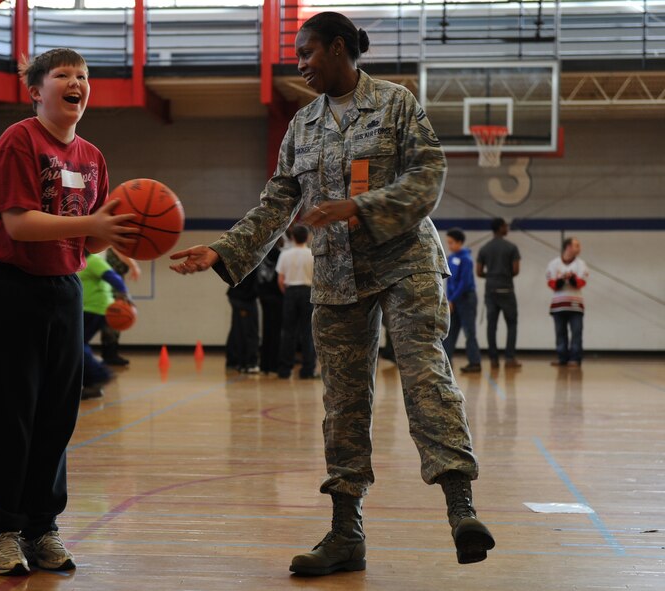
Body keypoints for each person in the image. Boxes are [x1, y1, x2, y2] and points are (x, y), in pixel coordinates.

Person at [170, 12, 493, 574]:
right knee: (343, 402)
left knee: (424, 375)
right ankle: (346, 532)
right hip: (338, 275)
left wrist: (359, 207)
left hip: (405, 264)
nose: (300, 64)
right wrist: (225, 250)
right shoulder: (303, 125)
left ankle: (461, 509)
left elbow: (428, 177)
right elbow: (277, 202)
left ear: (339, 48)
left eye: (307, 52)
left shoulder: (395, 104)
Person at [0, 48, 137, 576]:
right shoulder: (19, 140)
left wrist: (117, 246)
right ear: (35, 91)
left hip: (62, 288)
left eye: (83, 76)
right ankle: (3, 530)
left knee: (57, 417)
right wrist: (92, 231)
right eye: (62, 75)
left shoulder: (93, 158)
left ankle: (43, 526)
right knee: (8, 412)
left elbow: (84, 244)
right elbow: (19, 224)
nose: (76, 82)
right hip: (6, 286)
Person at [79, 252, 132, 398]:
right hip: (89, 308)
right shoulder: (81, 262)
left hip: (96, 309)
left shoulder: (93, 260)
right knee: (78, 345)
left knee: (76, 344)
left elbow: (113, 276)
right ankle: (92, 381)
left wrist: (124, 294)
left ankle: (99, 376)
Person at [476, 218, 521, 368]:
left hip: (491, 291)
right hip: (507, 290)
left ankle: (493, 359)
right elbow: (515, 270)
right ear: (501, 228)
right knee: (512, 324)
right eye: (505, 226)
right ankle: (509, 358)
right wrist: (504, 274)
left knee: (491, 326)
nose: (507, 228)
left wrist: (491, 275)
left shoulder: (484, 248)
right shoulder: (512, 247)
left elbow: (479, 272)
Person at [276, 224, 316, 379]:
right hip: (308, 292)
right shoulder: (312, 254)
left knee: (288, 332)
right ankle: (308, 370)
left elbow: (280, 280)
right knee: (307, 332)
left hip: (291, 292)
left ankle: (285, 369)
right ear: (308, 237)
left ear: (292, 237)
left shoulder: (285, 254)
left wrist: (289, 293)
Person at [442, 228, 482, 373]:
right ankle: (445, 362)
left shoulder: (466, 259)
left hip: (466, 299)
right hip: (453, 300)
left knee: (469, 332)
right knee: (450, 331)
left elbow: (464, 283)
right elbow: (449, 281)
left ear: (459, 242)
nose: (449, 245)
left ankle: (475, 362)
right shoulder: (450, 258)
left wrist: (452, 299)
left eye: (451, 242)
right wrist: (448, 299)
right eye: (448, 242)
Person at [546, 237, 588, 367]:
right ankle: (562, 357)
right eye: (576, 245)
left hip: (575, 305)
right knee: (560, 333)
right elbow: (551, 284)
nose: (579, 248)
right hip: (559, 305)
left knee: (576, 332)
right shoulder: (553, 264)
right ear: (568, 247)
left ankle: (575, 358)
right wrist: (562, 279)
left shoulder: (581, 264)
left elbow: (581, 283)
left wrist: (571, 278)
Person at [99, 248, 140, 366]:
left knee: (114, 323)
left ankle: (111, 353)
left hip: (115, 288)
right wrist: (134, 266)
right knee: (110, 323)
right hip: (106, 290)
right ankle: (108, 354)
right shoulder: (109, 249)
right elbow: (115, 248)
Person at [257, 238, 285, 375]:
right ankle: (274, 365)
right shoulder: (280, 255)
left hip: (263, 296)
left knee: (266, 330)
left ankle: (264, 365)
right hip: (277, 296)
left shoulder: (261, 255)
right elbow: (281, 277)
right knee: (276, 331)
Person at [225, 268, 260, 374]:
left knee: (238, 329)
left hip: (238, 296)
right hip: (244, 298)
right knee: (249, 331)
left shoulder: (244, 259)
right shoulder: (253, 259)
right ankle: (249, 363)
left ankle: (235, 361)